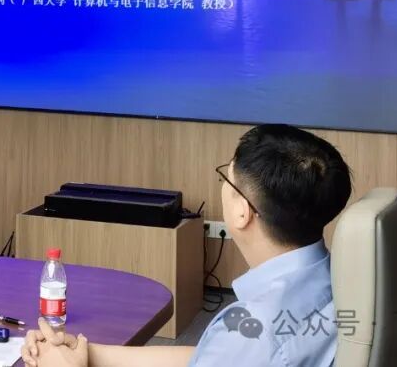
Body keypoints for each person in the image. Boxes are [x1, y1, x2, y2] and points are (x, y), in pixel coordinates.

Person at [23, 124, 352, 367]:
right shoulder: (332, 281)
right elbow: (209, 357)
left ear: (242, 212)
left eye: (227, 179)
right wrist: (89, 353)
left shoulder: (257, 329)